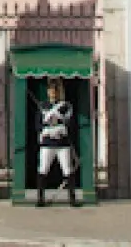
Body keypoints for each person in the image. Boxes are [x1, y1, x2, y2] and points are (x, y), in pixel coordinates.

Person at [36, 78, 79, 208]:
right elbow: (38, 125)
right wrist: (47, 130)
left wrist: (60, 129)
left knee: (68, 170)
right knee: (43, 169)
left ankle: (72, 198)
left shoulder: (65, 107)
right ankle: (40, 198)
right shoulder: (43, 107)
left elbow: (70, 124)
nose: (53, 93)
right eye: (51, 90)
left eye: (56, 90)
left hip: (62, 143)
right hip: (48, 143)